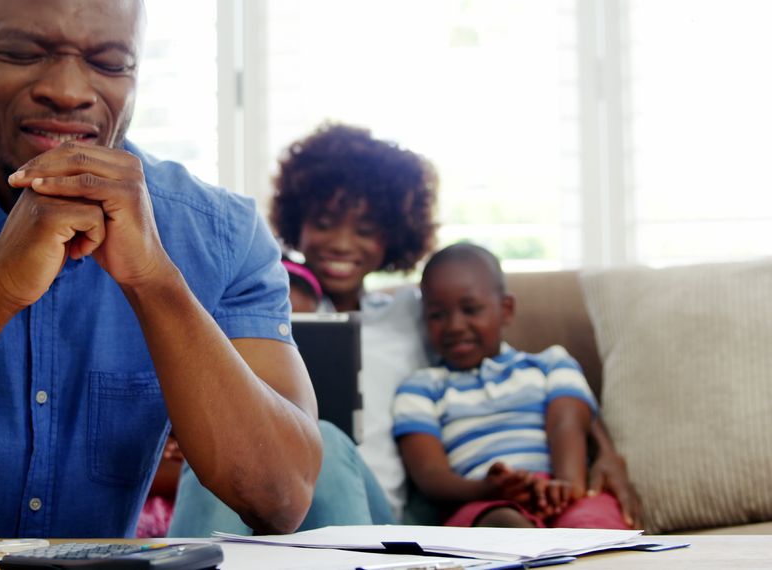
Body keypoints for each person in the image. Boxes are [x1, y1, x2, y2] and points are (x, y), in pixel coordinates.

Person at [0, 0, 323, 538]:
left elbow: (281, 497)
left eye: (109, 63)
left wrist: (154, 281)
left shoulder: (221, 235)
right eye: (26, 53)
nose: (69, 90)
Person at [169, 123, 642, 534]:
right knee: (225, 454)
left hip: (381, 517)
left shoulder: (419, 314)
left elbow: (529, 376)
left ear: (394, 234)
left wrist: (606, 453)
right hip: (270, 494)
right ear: (299, 221)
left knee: (325, 440)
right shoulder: (263, 310)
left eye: (365, 229)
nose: (341, 244)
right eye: (327, 223)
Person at [393, 243, 630, 529]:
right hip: (481, 500)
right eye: (437, 315)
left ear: (506, 309)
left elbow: (566, 425)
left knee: (592, 522)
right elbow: (430, 474)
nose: (454, 325)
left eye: (470, 309)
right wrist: (488, 490)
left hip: (559, 487)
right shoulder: (420, 388)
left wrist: (566, 487)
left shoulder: (551, 364)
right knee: (502, 524)